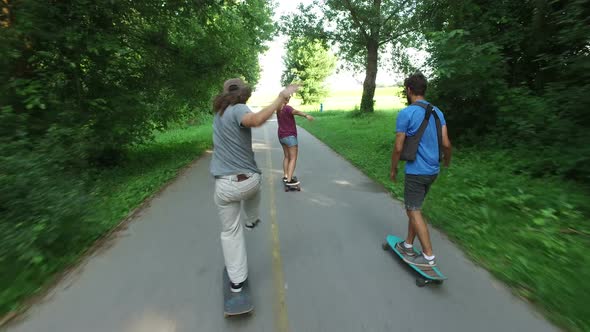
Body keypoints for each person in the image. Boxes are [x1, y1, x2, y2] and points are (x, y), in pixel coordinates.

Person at [210, 78, 299, 292]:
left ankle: (237, 282)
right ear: (243, 93)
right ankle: (251, 220)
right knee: (254, 186)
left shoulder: (219, 113)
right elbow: (257, 119)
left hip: (225, 185)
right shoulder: (240, 108)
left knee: (230, 232)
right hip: (250, 181)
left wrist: (280, 100)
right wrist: (280, 97)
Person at [390, 73, 452, 267]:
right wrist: (447, 161)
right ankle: (408, 245)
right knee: (415, 207)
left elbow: (399, 147)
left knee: (413, 210)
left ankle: (428, 256)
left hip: (417, 171)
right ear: (424, 89)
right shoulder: (437, 112)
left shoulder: (406, 113)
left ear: (409, 90)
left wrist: (393, 169)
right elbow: (446, 143)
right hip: (432, 171)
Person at [276, 96, 314, 186]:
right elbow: (295, 112)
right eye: (288, 98)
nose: (289, 100)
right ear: (285, 100)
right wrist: (306, 115)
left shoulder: (278, 110)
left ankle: (286, 176)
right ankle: (289, 180)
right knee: (293, 158)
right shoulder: (287, 108)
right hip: (290, 136)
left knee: (286, 157)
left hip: (281, 136)